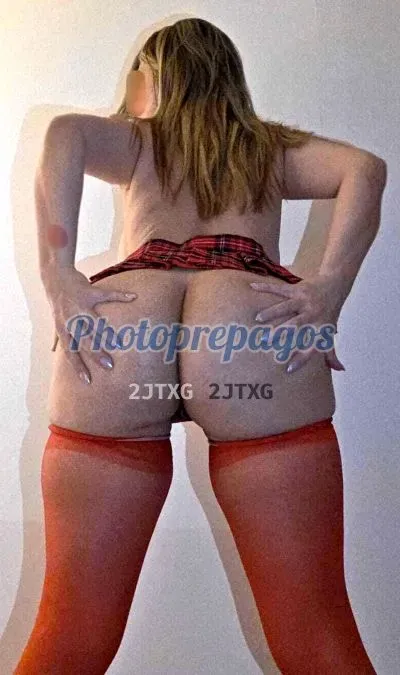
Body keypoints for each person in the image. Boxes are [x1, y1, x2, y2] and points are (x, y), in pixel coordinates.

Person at [14, 17, 386, 675]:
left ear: (150, 80)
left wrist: (60, 274)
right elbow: (365, 168)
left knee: (69, 637)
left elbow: (65, 133)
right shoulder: (268, 148)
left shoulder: (136, 142)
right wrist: (329, 289)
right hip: (246, 321)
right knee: (314, 636)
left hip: (127, 322)